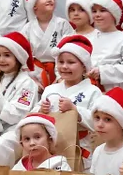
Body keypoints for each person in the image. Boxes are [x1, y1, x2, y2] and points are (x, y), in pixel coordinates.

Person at [0, 33, 41, 167]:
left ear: (18, 57)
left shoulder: (27, 83)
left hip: (18, 131)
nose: (1, 60)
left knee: (0, 145)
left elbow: (16, 116)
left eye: (7, 55)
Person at [39, 35, 102, 164]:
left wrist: (75, 110)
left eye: (71, 62)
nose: (64, 66)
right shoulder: (50, 89)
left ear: (84, 67)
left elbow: (97, 122)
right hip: (51, 148)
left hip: (80, 145)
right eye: (61, 62)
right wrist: (41, 110)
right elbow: (35, 118)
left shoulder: (93, 91)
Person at [21, 0, 74, 89]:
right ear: (34, 6)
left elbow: (70, 50)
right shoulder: (27, 28)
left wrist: (61, 77)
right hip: (35, 73)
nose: (49, 0)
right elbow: (22, 55)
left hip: (61, 70)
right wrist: (32, 79)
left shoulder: (62, 24)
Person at [87, 0, 123, 90]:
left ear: (113, 14)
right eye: (94, 11)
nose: (97, 15)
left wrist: (102, 72)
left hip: (112, 89)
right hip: (88, 87)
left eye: (102, 10)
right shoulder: (90, 37)